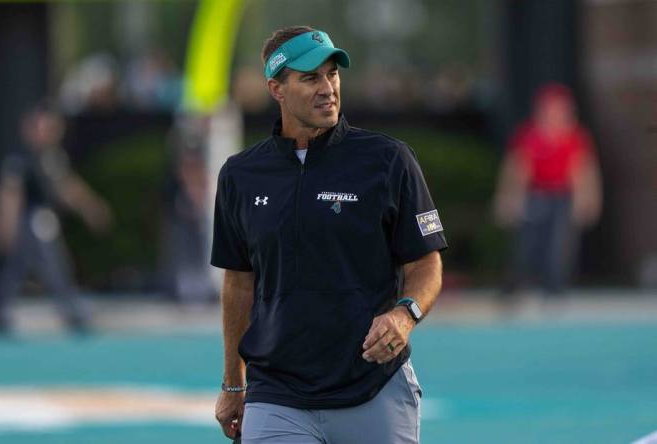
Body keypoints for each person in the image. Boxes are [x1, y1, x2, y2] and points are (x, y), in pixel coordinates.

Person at [211, 26, 447, 443]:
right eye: (310, 77)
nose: (328, 88)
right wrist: (234, 383)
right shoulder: (240, 175)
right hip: (277, 393)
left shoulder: (388, 159)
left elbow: (426, 261)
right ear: (276, 88)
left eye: (332, 74)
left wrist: (404, 315)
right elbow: (238, 284)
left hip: (373, 386)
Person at [0, 103, 113, 336]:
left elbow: (67, 187)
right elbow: (9, 194)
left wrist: (90, 208)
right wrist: (5, 225)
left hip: (42, 220)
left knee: (20, 267)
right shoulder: (20, 158)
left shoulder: (52, 157)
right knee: (52, 265)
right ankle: (70, 310)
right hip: (30, 221)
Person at [493, 83, 602, 295]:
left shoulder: (575, 137)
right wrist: (509, 198)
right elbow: (516, 170)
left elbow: (584, 171)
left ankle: (555, 288)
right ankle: (514, 286)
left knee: (560, 245)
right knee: (526, 243)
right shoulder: (529, 136)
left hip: (562, 196)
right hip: (535, 195)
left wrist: (588, 200)